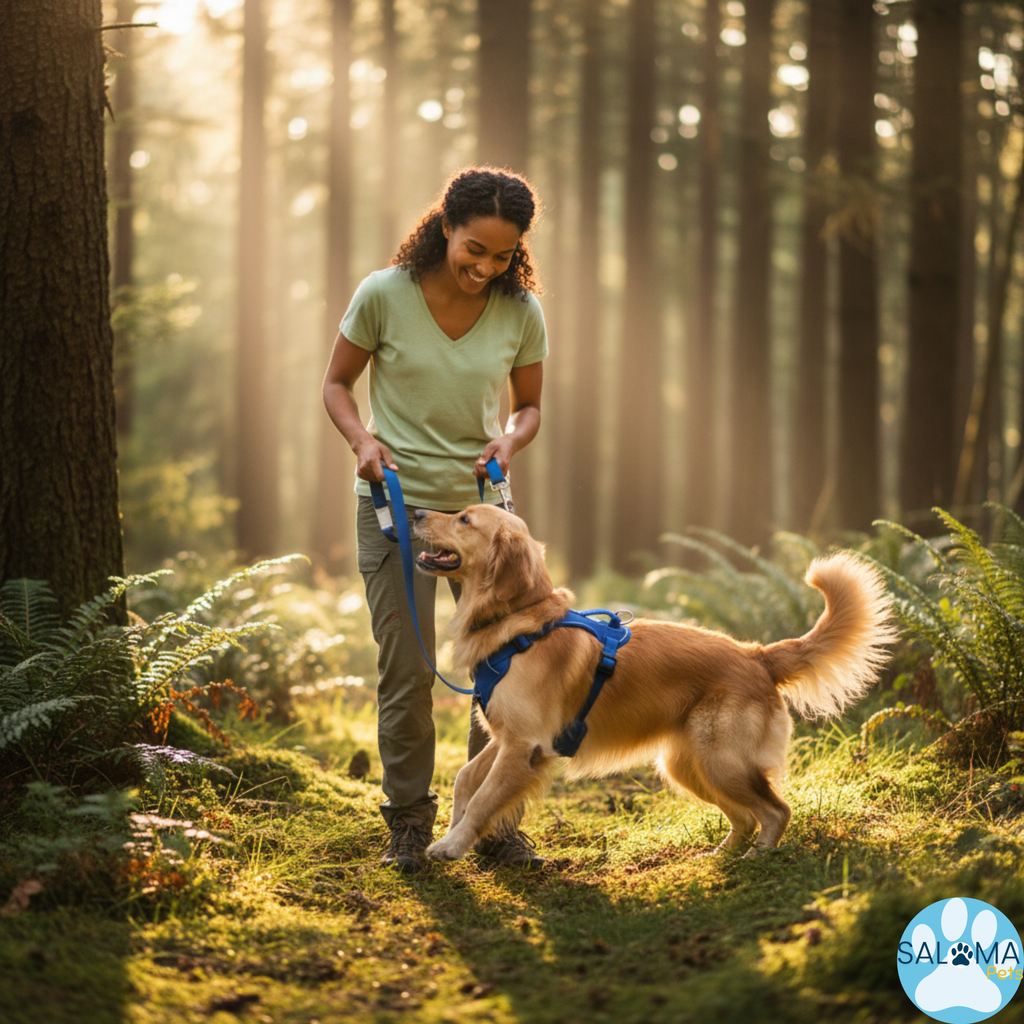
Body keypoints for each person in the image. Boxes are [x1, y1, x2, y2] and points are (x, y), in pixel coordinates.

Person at [322, 167, 548, 872]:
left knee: (506, 673)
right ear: (444, 227)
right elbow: (336, 384)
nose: (484, 267)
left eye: (501, 255)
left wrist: (509, 438)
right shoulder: (383, 295)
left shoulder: (522, 311)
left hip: (486, 520)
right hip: (396, 509)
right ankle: (410, 823)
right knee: (408, 673)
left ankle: (494, 824)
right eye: (473, 248)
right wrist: (363, 442)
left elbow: (529, 406)